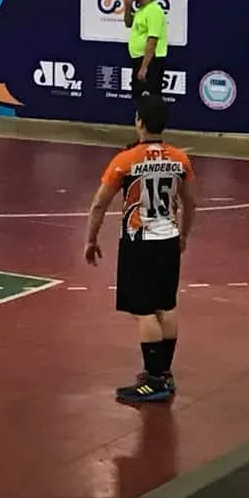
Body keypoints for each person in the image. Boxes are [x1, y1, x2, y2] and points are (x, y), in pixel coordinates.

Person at [85, 94, 196, 403]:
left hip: (139, 241)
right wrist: (184, 235)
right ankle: (164, 372)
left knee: (143, 311)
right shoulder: (180, 159)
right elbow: (190, 202)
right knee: (166, 305)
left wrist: (91, 239)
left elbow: (99, 204)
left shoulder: (126, 160)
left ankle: (155, 380)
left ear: (139, 122)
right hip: (169, 238)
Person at [122, 0, 167, 108]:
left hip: (150, 61)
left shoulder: (154, 10)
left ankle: (152, 125)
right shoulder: (141, 10)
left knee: (152, 97)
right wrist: (128, 7)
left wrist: (144, 67)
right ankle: (142, 124)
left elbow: (152, 40)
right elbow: (128, 23)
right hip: (139, 59)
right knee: (138, 96)